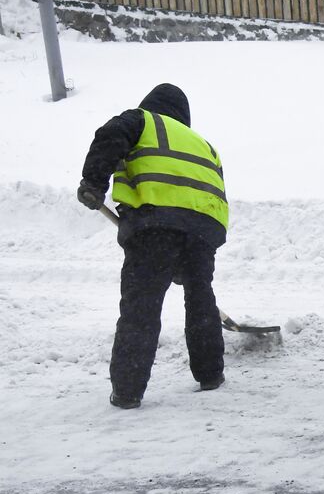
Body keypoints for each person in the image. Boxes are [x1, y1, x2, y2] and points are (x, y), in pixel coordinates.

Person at [77, 83, 229, 409]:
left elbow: (109, 137)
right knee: (201, 299)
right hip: (204, 229)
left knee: (142, 305)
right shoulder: (204, 144)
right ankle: (210, 374)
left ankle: (128, 391)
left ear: (151, 103)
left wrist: (93, 181)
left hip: (155, 225)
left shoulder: (142, 120)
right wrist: (190, 247)